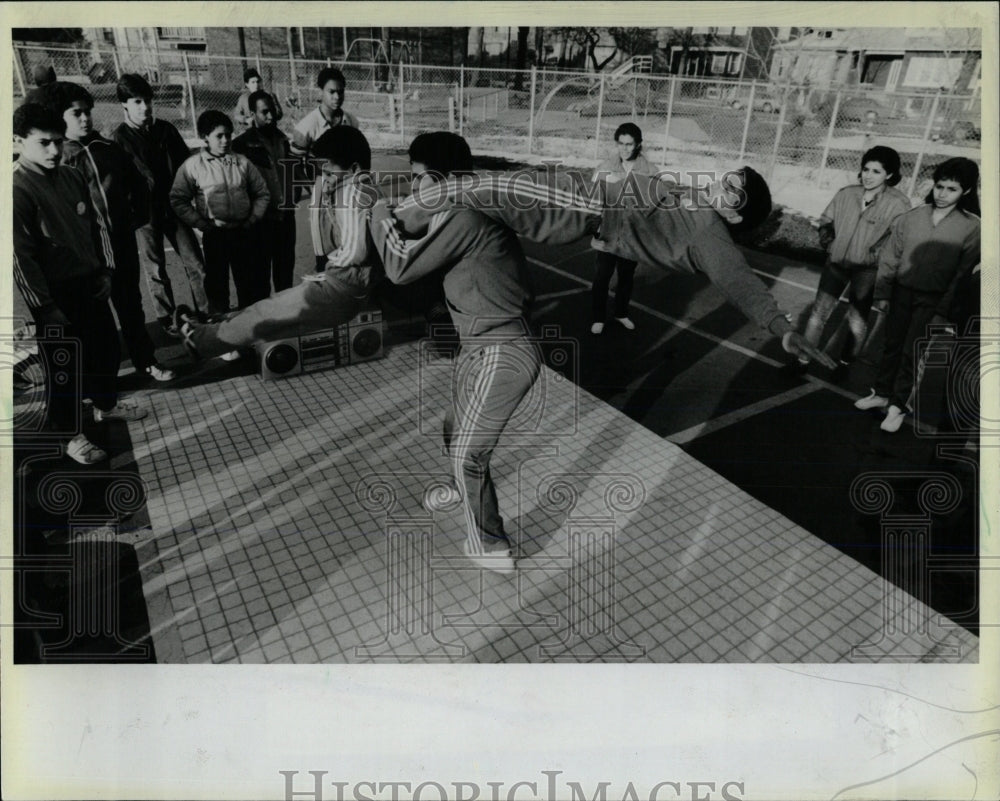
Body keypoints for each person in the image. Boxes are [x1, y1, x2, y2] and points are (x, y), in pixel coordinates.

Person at [402, 164, 836, 370]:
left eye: (733, 190)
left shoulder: (710, 235)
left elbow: (740, 282)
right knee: (475, 202)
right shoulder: (696, 200)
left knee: (479, 189)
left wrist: (782, 328)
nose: (722, 182)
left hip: (586, 206)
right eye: (730, 176)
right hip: (584, 192)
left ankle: (392, 224)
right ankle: (406, 228)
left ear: (736, 216)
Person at [369, 132, 544, 576]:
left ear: (443, 180)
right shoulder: (457, 209)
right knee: (454, 428)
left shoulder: (464, 216)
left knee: (469, 450)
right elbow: (413, 228)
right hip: (479, 348)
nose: (412, 189)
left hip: (505, 351)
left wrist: (375, 213)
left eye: (418, 179)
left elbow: (401, 267)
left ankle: (490, 543)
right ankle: (460, 487)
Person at [172, 126, 380, 362]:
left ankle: (199, 340)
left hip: (342, 288)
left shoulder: (355, 192)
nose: (325, 180)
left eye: (330, 173)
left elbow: (356, 251)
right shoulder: (357, 188)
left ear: (354, 169)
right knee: (268, 309)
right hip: (342, 285)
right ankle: (211, 328)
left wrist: (327, 268)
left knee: (266, 313)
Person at [13, 103, 147, 465]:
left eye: (58, 141)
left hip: (89, 282)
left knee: (104, 349)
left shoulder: (71, 176)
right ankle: (69, 434)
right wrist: (44, 307)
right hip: (54, 294)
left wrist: (105, 271)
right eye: (43, 143)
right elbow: (19, 258)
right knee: (64, 367)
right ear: (18, 141)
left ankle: (105, 405)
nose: (55, 151)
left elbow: (97, 228)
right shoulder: (16, 189)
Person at [39, 81, 175, 382]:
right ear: (59, 116)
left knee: (131, 306)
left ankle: (146, 360)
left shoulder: (108, 148)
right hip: (84, 251)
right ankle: (101, 379)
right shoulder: (59, 158)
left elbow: (140, 185)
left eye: (88, 111)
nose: (85, 118)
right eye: (76, 113)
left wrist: (134, 218)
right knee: (92, 317)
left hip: (120, 241)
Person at [854, 157, 980, 433]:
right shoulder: (912, 217)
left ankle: (900, 406)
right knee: (891, 346)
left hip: (933, 300)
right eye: (939, 186)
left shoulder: (973, 227)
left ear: (967, 192)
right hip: (901, 293)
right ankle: (882, 394)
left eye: (952, 189)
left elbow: (962, 274)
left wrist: (942, 310)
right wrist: (884, 293)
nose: (943, 194)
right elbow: (891, 257)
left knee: (914, 352)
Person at [112, 73, 212, 331]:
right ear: (124, 105)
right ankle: (167, 320)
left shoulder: (166, 130)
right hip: (146, 216)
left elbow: (188, 168)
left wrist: (193, 203)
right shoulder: (119, 139)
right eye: (137, 102)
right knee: (156, 270)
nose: (144, 107)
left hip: (175, 209)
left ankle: (205, 312)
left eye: (147, 100)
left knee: (196, 263)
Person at [801, 146, 910, 366]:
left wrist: (876, 256)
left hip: (868, 270)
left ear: (889, 174)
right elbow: (826, 220)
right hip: (836, 263)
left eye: (876, 171)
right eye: (866, 169)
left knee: (857, 320)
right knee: (818, 314)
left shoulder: (899, 204)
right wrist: (831, 244)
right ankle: (802, 359)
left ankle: (845, 363)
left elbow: (899, 240)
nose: (868, 176)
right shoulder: (846, 193)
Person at [169, 110, 271, 331]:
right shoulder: (193, 165)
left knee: (247, 284)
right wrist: (200, 222)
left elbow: (262, 193)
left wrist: (253, 218)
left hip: (243, 232)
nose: (225, 140)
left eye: (229, 135)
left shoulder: (242, 163)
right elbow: (178, 199)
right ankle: (221, 335)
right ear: (205, 136)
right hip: (215, 234)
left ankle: (248, 330)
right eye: (219, 136)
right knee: (217, 287)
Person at [290, 67, 360, 273]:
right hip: (322, 186)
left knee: (349, 240)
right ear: (321, 91)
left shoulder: (351, 121)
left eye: (341, 91)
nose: (337, 96)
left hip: (348, 187)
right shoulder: (307, 126)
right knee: (324, 243)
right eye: (331, 91)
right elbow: (294, 163)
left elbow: (358, 155)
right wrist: (314, 189)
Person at [590, 122, 655, 335]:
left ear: (638, 145)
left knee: (626, 278)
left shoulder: (649, 171)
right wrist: (593, 234)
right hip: (608, 234)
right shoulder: (605, 167)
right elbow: (592, 203)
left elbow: (655, 205)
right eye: (621, 144)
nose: (625, 148)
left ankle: (621, 313)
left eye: (629, 144)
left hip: (632, 236)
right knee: (601, 278)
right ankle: (598, 316)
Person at [233, 90, 297, 293]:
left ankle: (284, 323)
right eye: (264, 112)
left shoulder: (283, 140)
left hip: (286, 219)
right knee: (260, 281)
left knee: (285, 279)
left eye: (273, 111)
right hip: (260, 223)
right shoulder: (241, 146)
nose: (271, 117)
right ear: (252, 115)